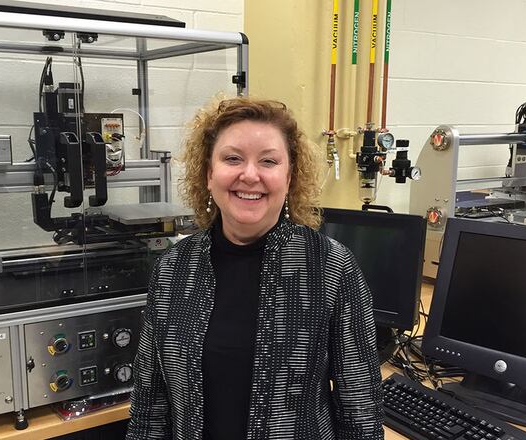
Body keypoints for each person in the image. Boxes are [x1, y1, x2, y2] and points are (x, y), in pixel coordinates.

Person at [126, 97, 383, 439]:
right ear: (208, 174)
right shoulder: (173, 270)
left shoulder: (331, 268)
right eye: (232, 158)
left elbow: (361, 414)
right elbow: (150, 409)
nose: (250, 174)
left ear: (289, 177)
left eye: (268, 161)